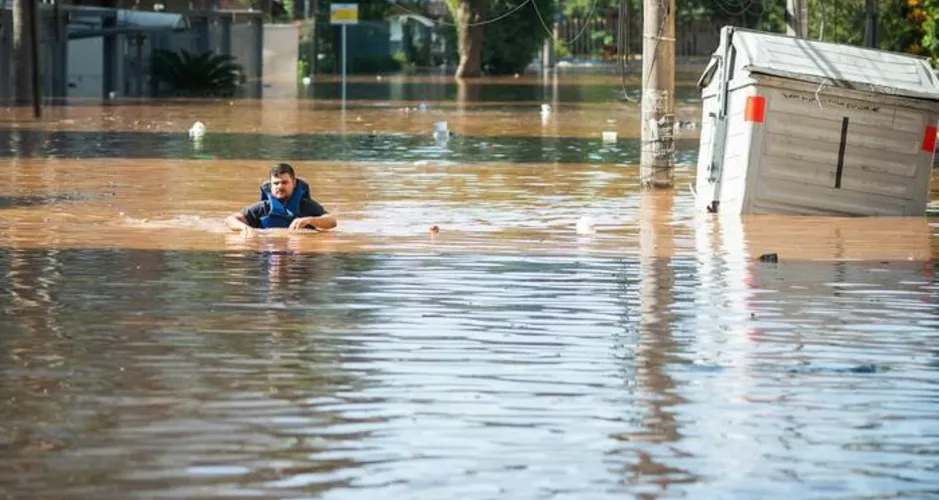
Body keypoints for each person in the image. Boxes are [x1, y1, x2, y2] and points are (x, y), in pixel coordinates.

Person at [226, 163, 337, 235]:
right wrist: (245, 229)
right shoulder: (263, 207)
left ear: (293, 183)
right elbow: (230, 219)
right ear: (271, 185)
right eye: (276, 183)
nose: (280, 186)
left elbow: (332, 221)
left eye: (284, 182)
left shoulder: (306, 206)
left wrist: (309, 220)